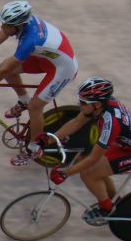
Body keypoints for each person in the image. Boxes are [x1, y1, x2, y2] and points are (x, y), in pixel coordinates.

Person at [0, 0, 78, 166]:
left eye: (7, 25)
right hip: (47, 58)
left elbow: (5, 69)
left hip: (63, 68)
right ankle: (23, 100)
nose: (3, 27)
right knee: (8, 70)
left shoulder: (30, 40)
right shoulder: (23, 23)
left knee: (36, 107)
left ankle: (34, 149)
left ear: (19, 25)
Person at [48, 77, 131, 221]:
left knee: (88, 173)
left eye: (83, 102)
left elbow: (93, 159)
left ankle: (106, 209)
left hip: (126, 148)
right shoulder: (101, 106)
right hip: (124, 145)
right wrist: (47, 140)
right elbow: (76, 122)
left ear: (97, 104)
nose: (79, 105)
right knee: (94, 169)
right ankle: (113, 201)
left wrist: (65, 173)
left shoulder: (110, 123)